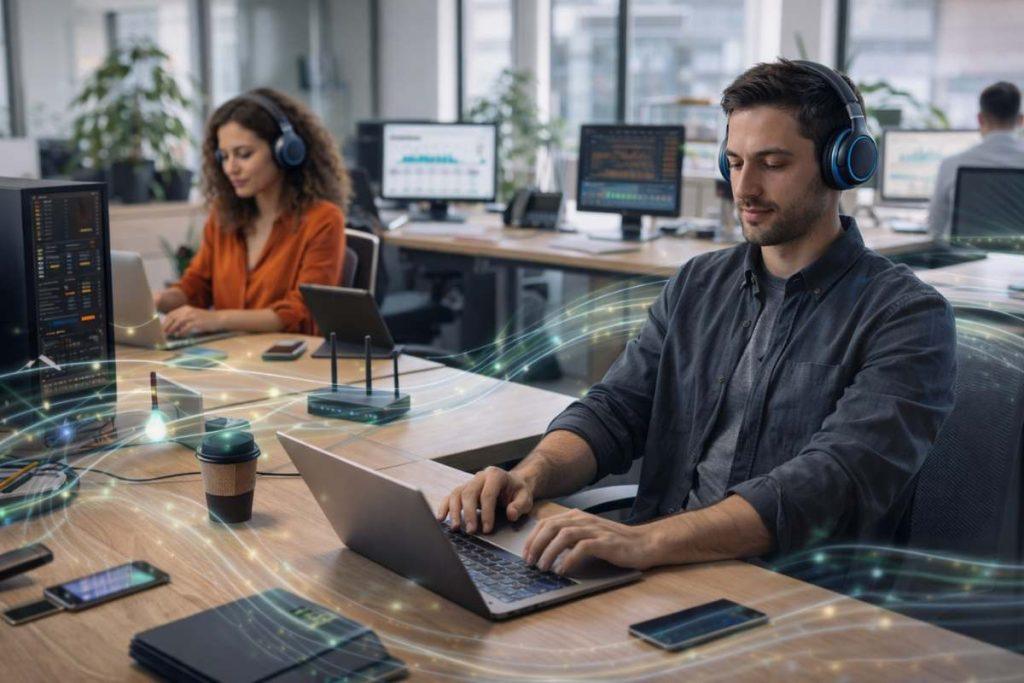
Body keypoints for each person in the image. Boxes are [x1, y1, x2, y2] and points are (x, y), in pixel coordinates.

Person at [438, 59, 957, 576]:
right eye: (734, 162)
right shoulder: (698, 284)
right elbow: (616, 409)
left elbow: (830, 481)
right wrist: (530, 476)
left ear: (843, 164)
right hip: (657, 566)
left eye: (772, 164)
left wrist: (647, 541)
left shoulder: (907, 317)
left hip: (785, 594)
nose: (745, 188)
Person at [154, 88, 350, 336]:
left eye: (244, 154)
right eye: (224, 157)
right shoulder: (223, 217)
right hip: (234, 359)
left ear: (285, 152)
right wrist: (160, 299)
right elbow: (197, 286)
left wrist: (217, 319)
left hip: (291, 365)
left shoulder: (322, 219)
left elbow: (300, 310)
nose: (230, 168)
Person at [928, 81, 1024, 240]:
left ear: (980, 119)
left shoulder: (952, 165)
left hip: (963, 262)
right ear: (1021, 120)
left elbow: (936, 229)